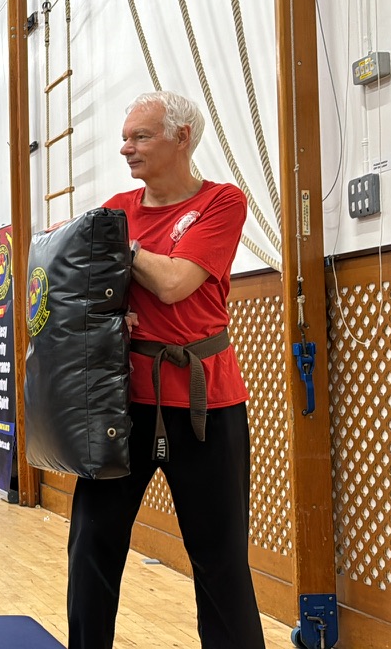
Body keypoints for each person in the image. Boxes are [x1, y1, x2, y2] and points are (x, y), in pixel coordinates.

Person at [66, 91, 265, 649]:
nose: (125, 148)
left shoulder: (222, 203)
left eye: (140, 137)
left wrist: (118, 245)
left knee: (220, 557)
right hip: (121, 406)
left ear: (182, 138)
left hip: (207, 406)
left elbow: (177, 284)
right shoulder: (116, 207)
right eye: (125, 136)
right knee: (90, 548)